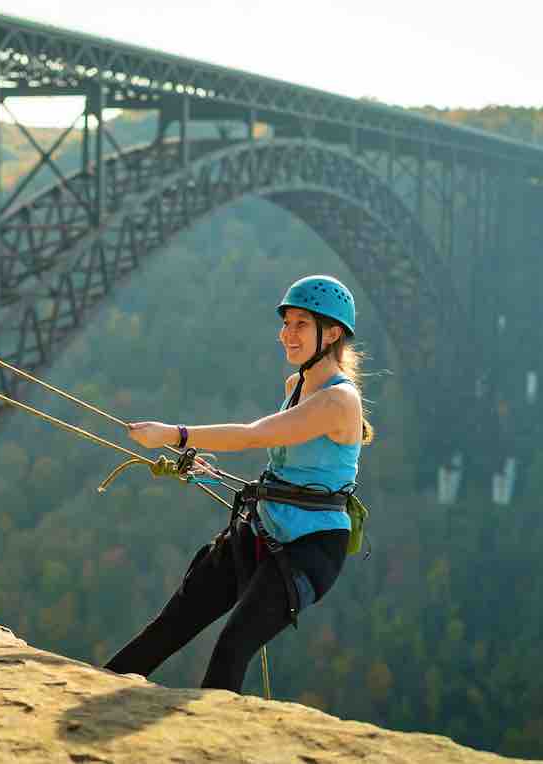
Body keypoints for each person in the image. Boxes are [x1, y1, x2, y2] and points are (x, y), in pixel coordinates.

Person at [104, 274, 376, 693]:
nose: (287, 334)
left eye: (301, 324)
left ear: (332, 332)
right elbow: (287, 463)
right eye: (286, 323)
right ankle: (94, 690)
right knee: (175, 620)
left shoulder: (341, 401)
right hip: (263, 525)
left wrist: (174, 434)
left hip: (312, 547)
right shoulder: (296, 386)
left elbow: (254, 435)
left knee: (233, 646)